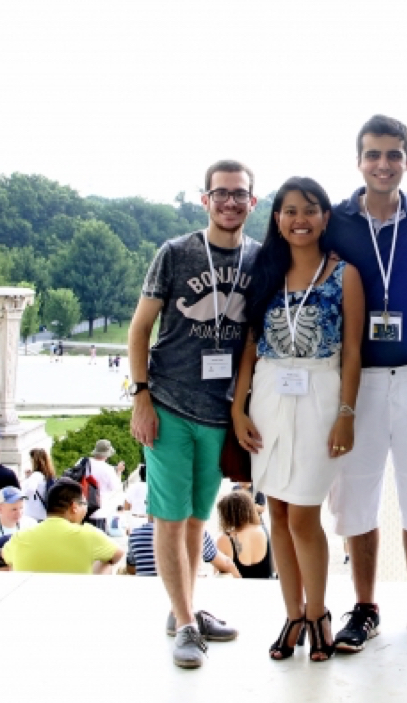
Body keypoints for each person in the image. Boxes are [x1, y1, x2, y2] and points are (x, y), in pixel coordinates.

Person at [323, 115, 407, 653]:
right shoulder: (336, 220)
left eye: (393, 154)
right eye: (374, 154)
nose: (383, 164)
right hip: (356, 378)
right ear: (359, 160)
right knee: (357, 491)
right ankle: (364, 607)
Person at [128, 159, 260, 668]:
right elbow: (140, 328)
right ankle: (186, 624)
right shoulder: (176, 252)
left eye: (239, 194)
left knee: (197, 519)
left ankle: (181, 607)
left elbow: (253, 339)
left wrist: (241, 406)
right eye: (220, 193)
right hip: (169, 404)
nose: (230, 202)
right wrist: (141, 395)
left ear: (252, 201)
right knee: (170, 517)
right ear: (205, 199)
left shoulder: (258, 258)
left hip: (218, 412)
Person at [232, 176, 364, 662]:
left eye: (310, 210)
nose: (300, 220)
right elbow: (250, 345)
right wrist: (238, 407)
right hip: (269, 394)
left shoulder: (345, 274)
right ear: (277, 219)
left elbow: (352, 352)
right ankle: (292, 614)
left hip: (320, 393)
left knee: (305, 513)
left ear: (325, 217)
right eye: (290, 210)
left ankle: (318, 612)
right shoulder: (265, 270)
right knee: (279, 514)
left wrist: (346, 413)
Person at [3, 479, 124, 574]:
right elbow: (117, 554)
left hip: (31, 597)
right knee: (106, 561)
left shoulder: (19, 537)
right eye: (85, 503)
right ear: (74, 507)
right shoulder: (89, 535)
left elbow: (4, 555)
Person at [126, 517, 240, 578]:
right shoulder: (196, 533)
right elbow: (226, 564)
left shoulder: (136, 534)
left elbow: (131, 570)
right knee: (225, 576)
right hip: (185, 602)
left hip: (150, 600)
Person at [213, 491, 273, 580]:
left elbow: (217, 575)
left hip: (239, 588)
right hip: (267, 587)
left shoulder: (224, 539)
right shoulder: (265, 531)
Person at [86, 440, 125, 532]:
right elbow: (116, 488)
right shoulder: (108, 469)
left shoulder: (83, 462)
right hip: (98, 511)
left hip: (80, 510)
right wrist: (118, 472)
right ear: (107, 454)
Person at [22, 447, 58, 522]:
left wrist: (22, 497)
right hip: (43, 513)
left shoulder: (36, 475)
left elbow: (30, 490)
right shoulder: (48, 475)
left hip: (33, 514)